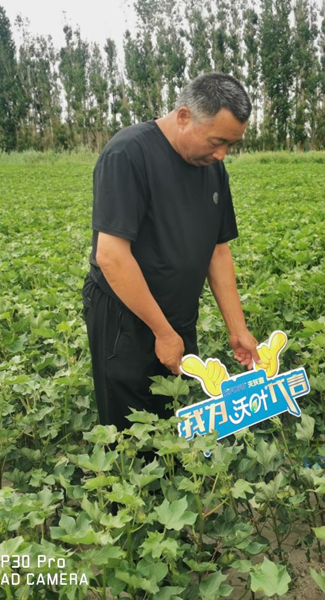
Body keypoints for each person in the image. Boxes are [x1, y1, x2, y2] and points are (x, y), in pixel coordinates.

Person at [82, 72, 261, 432]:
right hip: (126, 319)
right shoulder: (128, 154)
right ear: (183, 117)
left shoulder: (211, 168)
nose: (223, 153)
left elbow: (217, 250)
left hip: (178, 315)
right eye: (217, 141)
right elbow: (112, 256)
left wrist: (237, 328)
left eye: (231, 145)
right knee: (130, 430)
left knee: (174, 416)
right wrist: (162, 333)